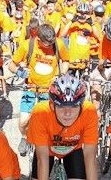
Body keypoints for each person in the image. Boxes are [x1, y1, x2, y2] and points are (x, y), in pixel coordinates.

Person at [7, 24, 69, 155]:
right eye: (47, 44)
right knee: (23, 121)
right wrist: (20, 72)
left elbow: (66, 61)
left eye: (52, 43)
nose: (50, 46)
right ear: (39, 39)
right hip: (30, 88)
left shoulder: (58, 44)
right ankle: (25, 137)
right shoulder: (27, 45)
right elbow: (11, 65)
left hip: (49, 90)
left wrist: (61, 74)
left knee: (50, 121)